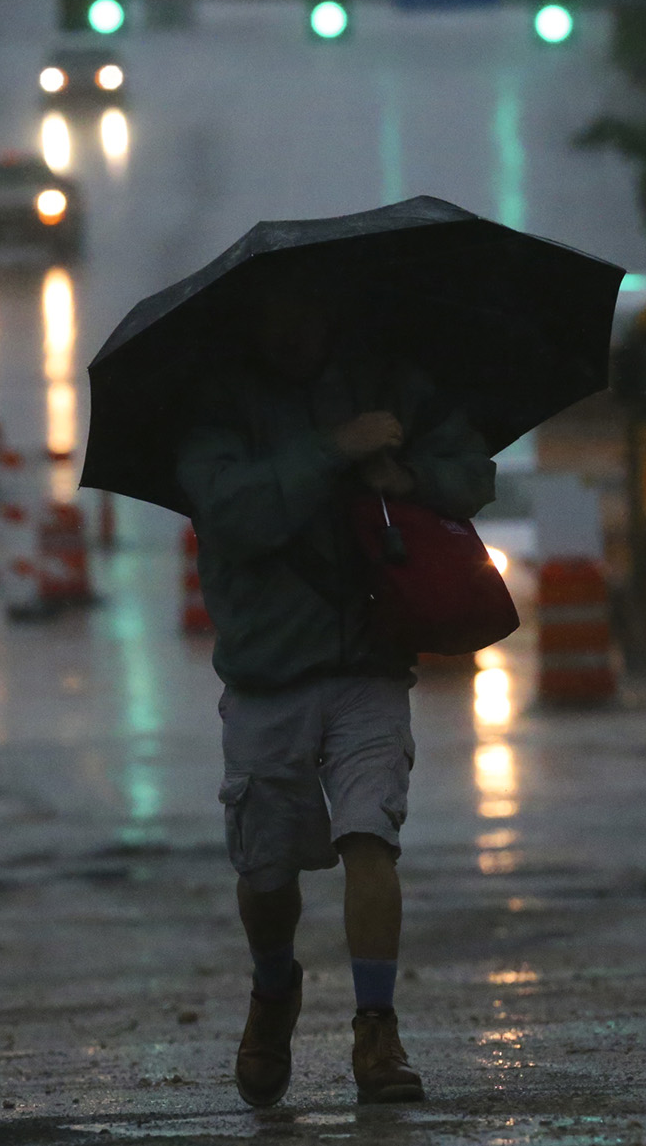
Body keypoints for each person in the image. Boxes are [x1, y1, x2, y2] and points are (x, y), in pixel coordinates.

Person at [175, 282, 496, 1107]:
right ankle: (274, 987)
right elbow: (232, 511)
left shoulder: (387, 385)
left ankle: (377, 1028)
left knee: (369, 839)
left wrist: (408, 472)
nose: (295, 326)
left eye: (309, 310)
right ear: (254, 323)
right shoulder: (218, 408)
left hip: (369, 664)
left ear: (331, 314)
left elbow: (473, 472)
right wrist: (331, 448)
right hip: (267, 678)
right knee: (268, 874)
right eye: (278, 312)